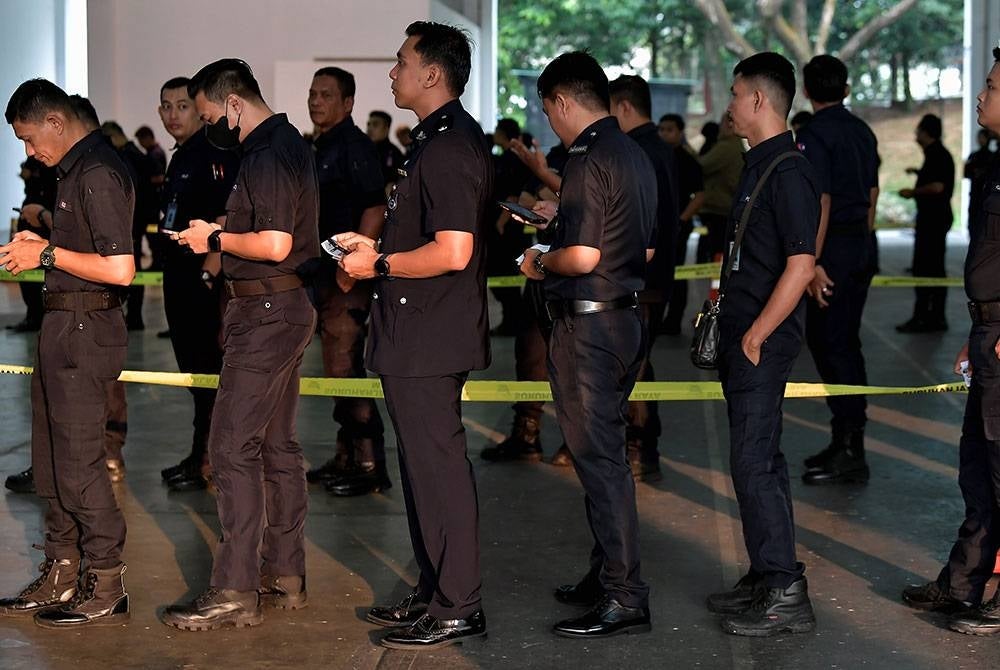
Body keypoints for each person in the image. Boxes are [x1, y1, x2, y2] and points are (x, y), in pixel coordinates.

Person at [333, 21, 491, 650]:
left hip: (430, 336)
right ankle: (435, 590)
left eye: (400, 63)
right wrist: (379, 248)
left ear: (432, 74)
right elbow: (425, 238)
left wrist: (378, 265)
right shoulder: (433, 142)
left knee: (438, 470)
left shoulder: (451, 148)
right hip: (414, 332)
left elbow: (453, 251)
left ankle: (458, 603)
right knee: (423, 471)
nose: (392, 73)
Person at [160, 58, 319, 631]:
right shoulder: (288, 144)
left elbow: (274, 242)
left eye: (207, 116)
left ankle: (233, 589)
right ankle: (284, 574)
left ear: (232, 104)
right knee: (276, 448)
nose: (207, 130)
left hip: (269, 310)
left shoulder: (268, 152)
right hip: (281, 307)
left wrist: (216, 236)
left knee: (230, 447)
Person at [519, 51, 656, 639]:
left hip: (590, 327)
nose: (550, 120)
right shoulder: (632, 152)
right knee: (607, 455)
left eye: (548, 109)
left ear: (562, 102)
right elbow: (636, 244)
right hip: (624, 319)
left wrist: (538, 258)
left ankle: (625, 594)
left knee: (600, 463)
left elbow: (583, 256)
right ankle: (608, 576)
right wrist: (559, 221)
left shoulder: (585, 157)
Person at [0, 78, 135, 627]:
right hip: (63, 323)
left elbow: (119, 269)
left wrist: (47, 252)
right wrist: (43, 250)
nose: (29, 152)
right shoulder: (73, 171)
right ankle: (61, 570)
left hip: (86, 325)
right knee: (52, 464)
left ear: (56, 122)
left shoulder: (98, 172)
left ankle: (105, 579)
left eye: (31, 140)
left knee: (79, 465)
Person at [704, 52, 818, 637]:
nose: (728, 105)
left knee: (754, 462)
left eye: (734, 93)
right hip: (742, 332)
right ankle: (765, 576)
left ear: (758, 101)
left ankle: (784, 590)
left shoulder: (790, 171)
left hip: (760, 343)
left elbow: (801, 264)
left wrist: (755, 333)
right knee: (756, 461)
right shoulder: (759, 165)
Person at [904, 45, 1000, 637]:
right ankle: (964, 581)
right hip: (987, 330)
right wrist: (977, 330)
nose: (982, 96)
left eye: (990, 86)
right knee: (978, 466)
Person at [303, 66, 389, 497]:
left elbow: (375, 208)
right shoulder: (321, 146)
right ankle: (346, 456)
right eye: (313, 94)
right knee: (337, 369)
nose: (316, 101)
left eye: (326, 95)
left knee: (345, 367)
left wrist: (351, 264)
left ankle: (371, 463)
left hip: (345, 278)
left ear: (348, 103)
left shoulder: (355, 147)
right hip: (322, 276)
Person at [795, 55, 880, 485]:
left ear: (806, 91)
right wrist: (862, 243)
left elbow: (821, 201)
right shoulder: (862, 131)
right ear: (845, 89)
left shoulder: (814, 135)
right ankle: (845, 441)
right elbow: (872, 192)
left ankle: (850, 450)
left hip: (832, 253)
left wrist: (813, 263)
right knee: (843, 343)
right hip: (859, 246)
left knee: (833, 345)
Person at [155, 76, 239, 492]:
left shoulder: (212, 153)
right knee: (194, 374)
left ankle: (209, 460)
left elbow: (225, 218)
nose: (173, 115)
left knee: (209, 374)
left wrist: (210, 273)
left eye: (182, 106)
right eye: (166, 107)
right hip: (178, 279)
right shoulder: (182, 155)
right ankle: (198, 454)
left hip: (202, 281)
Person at [609, 74, 680, 482]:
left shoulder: (638, 151)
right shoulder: (661, 149)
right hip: (654, 275)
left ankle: (639, 449)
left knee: (634, 367)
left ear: (623, 107)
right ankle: (640, 448)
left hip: (641, 277)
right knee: (639, 364)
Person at [896, 113, 955, 333]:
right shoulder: (935, 155)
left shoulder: (938, 155)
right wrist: (918, 173)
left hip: (934, 220)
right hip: (933, 219)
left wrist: (913, 191)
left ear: (926, 132)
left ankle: (927, 317)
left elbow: (938, 186)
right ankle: (932, 316)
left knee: (928, 268)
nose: (916, 134)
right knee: (931, 267)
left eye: (918, 130)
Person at [101, 120, 159, 331]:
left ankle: (133, 316)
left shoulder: (128, 157)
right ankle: (133, 316)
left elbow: (130, 192)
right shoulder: (136, 155)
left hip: (133, 222)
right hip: (139, 220)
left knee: (130, 270)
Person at [658, 113, 705, 335]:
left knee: (677, 273)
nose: (664, 133)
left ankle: (674, 319)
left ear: (680, 132)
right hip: (657, 224)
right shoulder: (655, 156)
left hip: (677, 226)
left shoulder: (687, 161)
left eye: (669, 129)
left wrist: (681, 219)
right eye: (662, 129)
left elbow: (700, 195)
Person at [489, 117, 532, 336]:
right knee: (500, 276)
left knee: (507, 274)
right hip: (504, 229)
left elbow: (514, 195)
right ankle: (510, 320)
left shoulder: (513, 161)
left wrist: (501, 222)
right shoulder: (502, 159)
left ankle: (514, 321)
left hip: (509, 230)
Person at [696, 117, 744, 264]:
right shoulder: (735, 145)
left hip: (718, 208)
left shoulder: (726, 147)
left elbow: (700, 166)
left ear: (730, 125)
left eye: (722, 122)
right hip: (726, 206)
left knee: (715, 252)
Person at [965, 128, 995, 238]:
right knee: (972, 221)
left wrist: (981, 172)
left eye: (983, 137)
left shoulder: (992, 157)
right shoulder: (973, 156)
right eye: (979, 137)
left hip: (986, 195)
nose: (980, 140)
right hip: (975, 193)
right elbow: (966, 173)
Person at [366, 109, 405, 191]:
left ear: (386, 128)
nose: (370, 128)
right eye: (369, 124)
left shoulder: (394, 154)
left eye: (375, 124)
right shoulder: (361, 151)